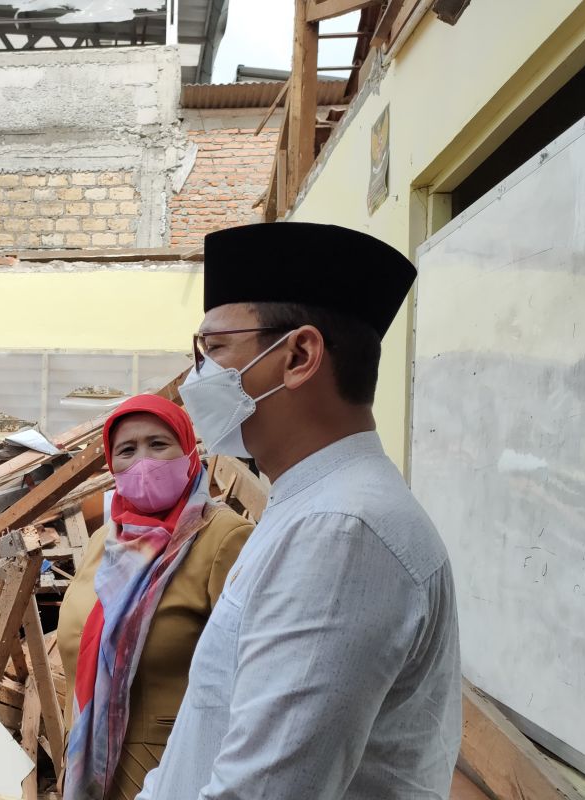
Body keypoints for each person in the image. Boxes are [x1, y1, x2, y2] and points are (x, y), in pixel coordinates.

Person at [137, 222, 461, 800]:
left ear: (299, 356)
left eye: (213, 351)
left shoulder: (342, 533)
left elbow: (264, 791)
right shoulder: (309, 505)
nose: (196, 378)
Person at [57, 394, 254, 800]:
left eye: (159, 444)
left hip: (172, 770)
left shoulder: (223, 537)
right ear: (113, 465)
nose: (143, 461)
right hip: (91, 764)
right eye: (127, 450)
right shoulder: (104, 542)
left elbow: (251, 672)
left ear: (188, 452)